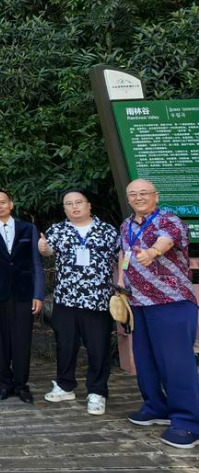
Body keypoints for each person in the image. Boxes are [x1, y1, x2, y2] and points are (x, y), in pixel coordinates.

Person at [118, 179, 198, 449]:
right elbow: (125, 257)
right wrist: (121, 288)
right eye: (133, 194)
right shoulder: (126, 225)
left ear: (155, 195)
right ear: (128, 199)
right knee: (146, 360)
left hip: (171, 302)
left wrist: (152, 252)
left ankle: (188, 422)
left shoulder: (168, 219)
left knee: (177, 365)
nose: (139, 198)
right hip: (139, 304)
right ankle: (156, 406)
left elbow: (166, 241)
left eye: (144, 193)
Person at [40, 189, 119, 416]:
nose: (74, 207)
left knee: (98, 346)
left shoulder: (107, 231)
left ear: (89, 205)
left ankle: (97, 391)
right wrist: (44, 249)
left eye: (78, 202)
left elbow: (121, 257)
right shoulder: (58, 230)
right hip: (66, 298)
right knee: (65, 344)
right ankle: (65, 385)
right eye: (68, 204)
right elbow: (47, 250)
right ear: (64, 208)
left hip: (97, 299)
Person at [0, 189, 44, 403]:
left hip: (24, 292)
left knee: (22, 339)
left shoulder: (28, 228)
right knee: (0, 339)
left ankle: (21, 384)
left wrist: (39, 294)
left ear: (11, 204)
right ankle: (3, 384)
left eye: (2, 202)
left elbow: (36, 262)